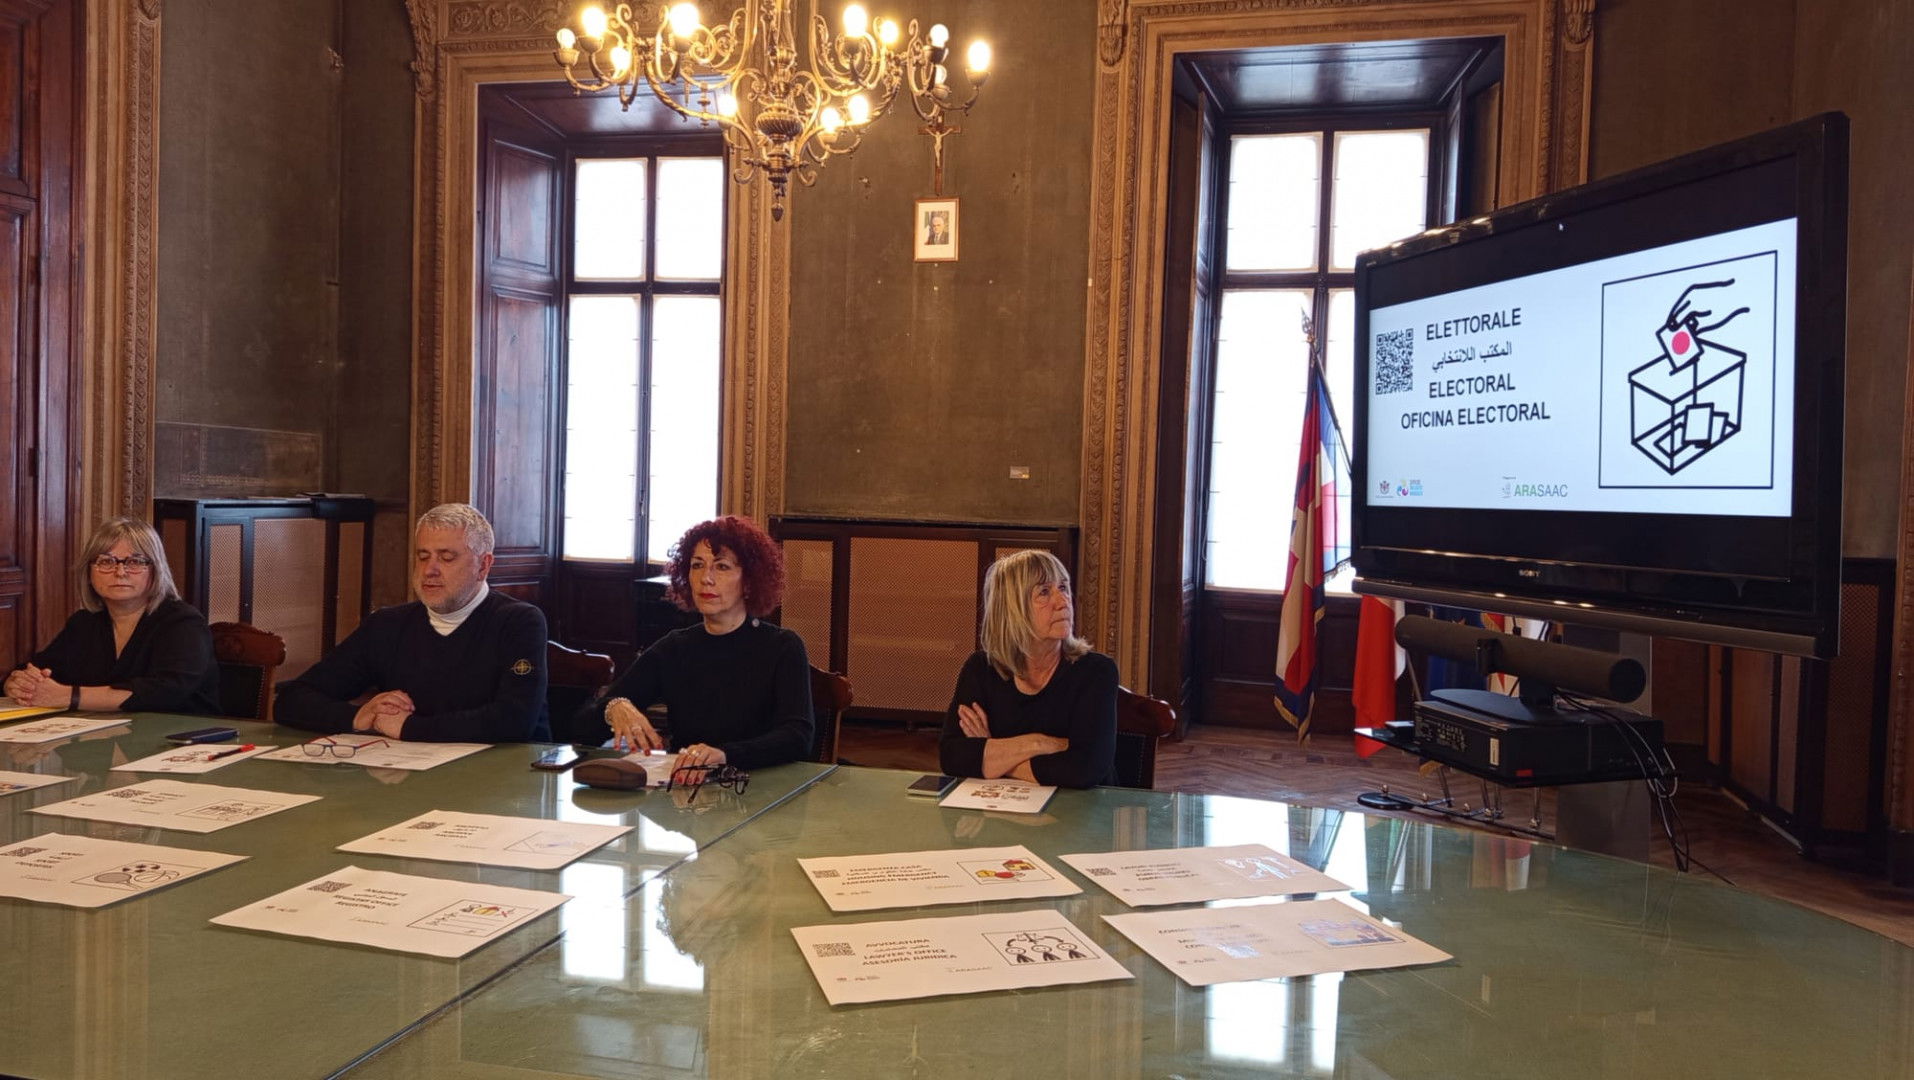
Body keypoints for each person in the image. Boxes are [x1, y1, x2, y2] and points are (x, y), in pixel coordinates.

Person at [275, 503, 549, 742]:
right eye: (423, 556)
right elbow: (292, 700)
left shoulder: (519, 621)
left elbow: (514, 721)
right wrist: (357, 716)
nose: (430, 570)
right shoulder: (388, 625)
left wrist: (408, 728)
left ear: (483, 566)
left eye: (447, 558)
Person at [578, 516, 812, 771]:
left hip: (759, 783)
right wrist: (613, 707)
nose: (706, 578)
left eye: (722, 567)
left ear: (749, 581)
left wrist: (725, 755)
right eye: (697, 565)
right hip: (685, 787)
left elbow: (798, 737)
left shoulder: (782, 646)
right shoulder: (673, 648)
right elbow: (581, 728)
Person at [940, 549, 1117, 787]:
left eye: (1063, 588)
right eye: (1044, 592)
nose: (1063, 601)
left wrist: (993, 754)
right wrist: (1039, 743)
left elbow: (1084, 769)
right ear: (1012, 609)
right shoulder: (981, 669)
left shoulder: (1096, 672)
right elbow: (952, 757)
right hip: (1004, 807)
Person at [5, 518, 219, 715]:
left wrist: (67, 696)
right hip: (105, 735)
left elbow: (165, 692)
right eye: (106, 562)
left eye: (135, 562)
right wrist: (18, 684)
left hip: (181, 735)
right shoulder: (84, 623)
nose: (120, 572)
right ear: (89, 573)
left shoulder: (183, 623)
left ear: (156, 570)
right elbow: (41, 669)